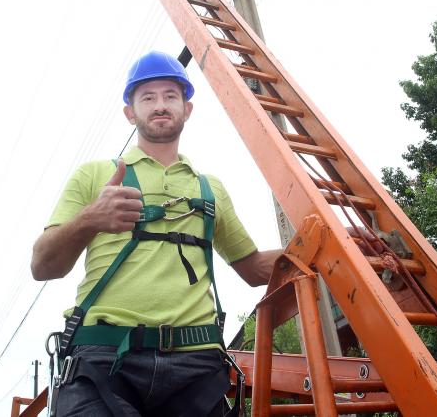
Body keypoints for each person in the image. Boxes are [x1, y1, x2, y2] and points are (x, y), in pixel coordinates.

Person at [31, 50, 281, 417]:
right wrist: (90, 218)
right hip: (104, 358)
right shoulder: (95, 175)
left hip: (196, 365)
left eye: (170, 96)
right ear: (130, 113)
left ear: (187, 110)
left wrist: (327, 247)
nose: (160, 105)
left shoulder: (210, 190)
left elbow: (256, 269)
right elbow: (42, 266)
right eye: (147, 97)